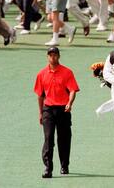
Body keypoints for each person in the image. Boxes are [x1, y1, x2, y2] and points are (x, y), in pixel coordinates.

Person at [34, 47, 80, 178]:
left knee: (64, 139)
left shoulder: (67, 72)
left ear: (59, 56)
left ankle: (64, 165)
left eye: (55, 55)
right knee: (48, 139)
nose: (52, 57)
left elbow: (72, 90)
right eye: (50, 55)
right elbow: (40, 95)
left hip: (63, 109)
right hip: (48, 109)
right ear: (47, 57)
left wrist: (70, 103)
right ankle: (48, 168)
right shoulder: (41, 74)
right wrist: (40, 113)